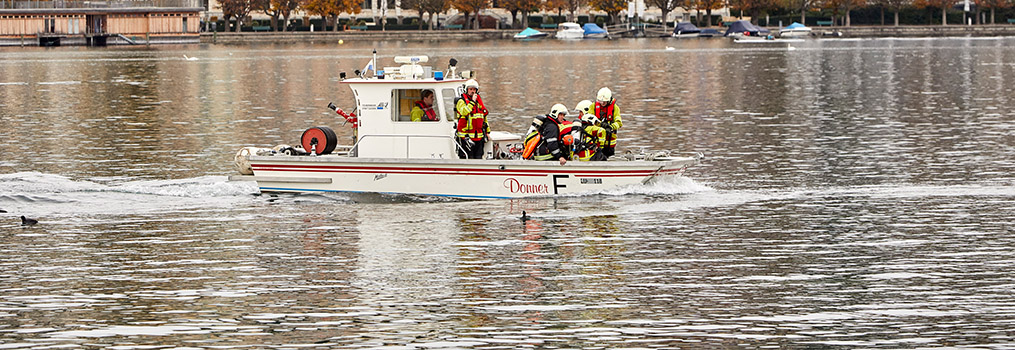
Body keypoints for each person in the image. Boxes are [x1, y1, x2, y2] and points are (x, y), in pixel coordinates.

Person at [455, 79, 490, 159]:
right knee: (467, 158)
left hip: (479, 138)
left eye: (474, 89)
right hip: (466, 138)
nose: (472, 91)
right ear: (466, 90)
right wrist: (472, 102)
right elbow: (464, 112)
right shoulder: (461, 101)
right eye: (470, 89)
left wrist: (487, 132)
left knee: (479, 158)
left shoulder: (479, 103)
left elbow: (483, 117)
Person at [593, 87, 623, 159]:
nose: (602, 103)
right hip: (597, 143)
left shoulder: (615, 108)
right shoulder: (593, 107)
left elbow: (619, 123)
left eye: (604, 102)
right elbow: (589, 120)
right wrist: (600, 124)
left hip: (609, 143)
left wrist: (611, 127)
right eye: (601, 101)